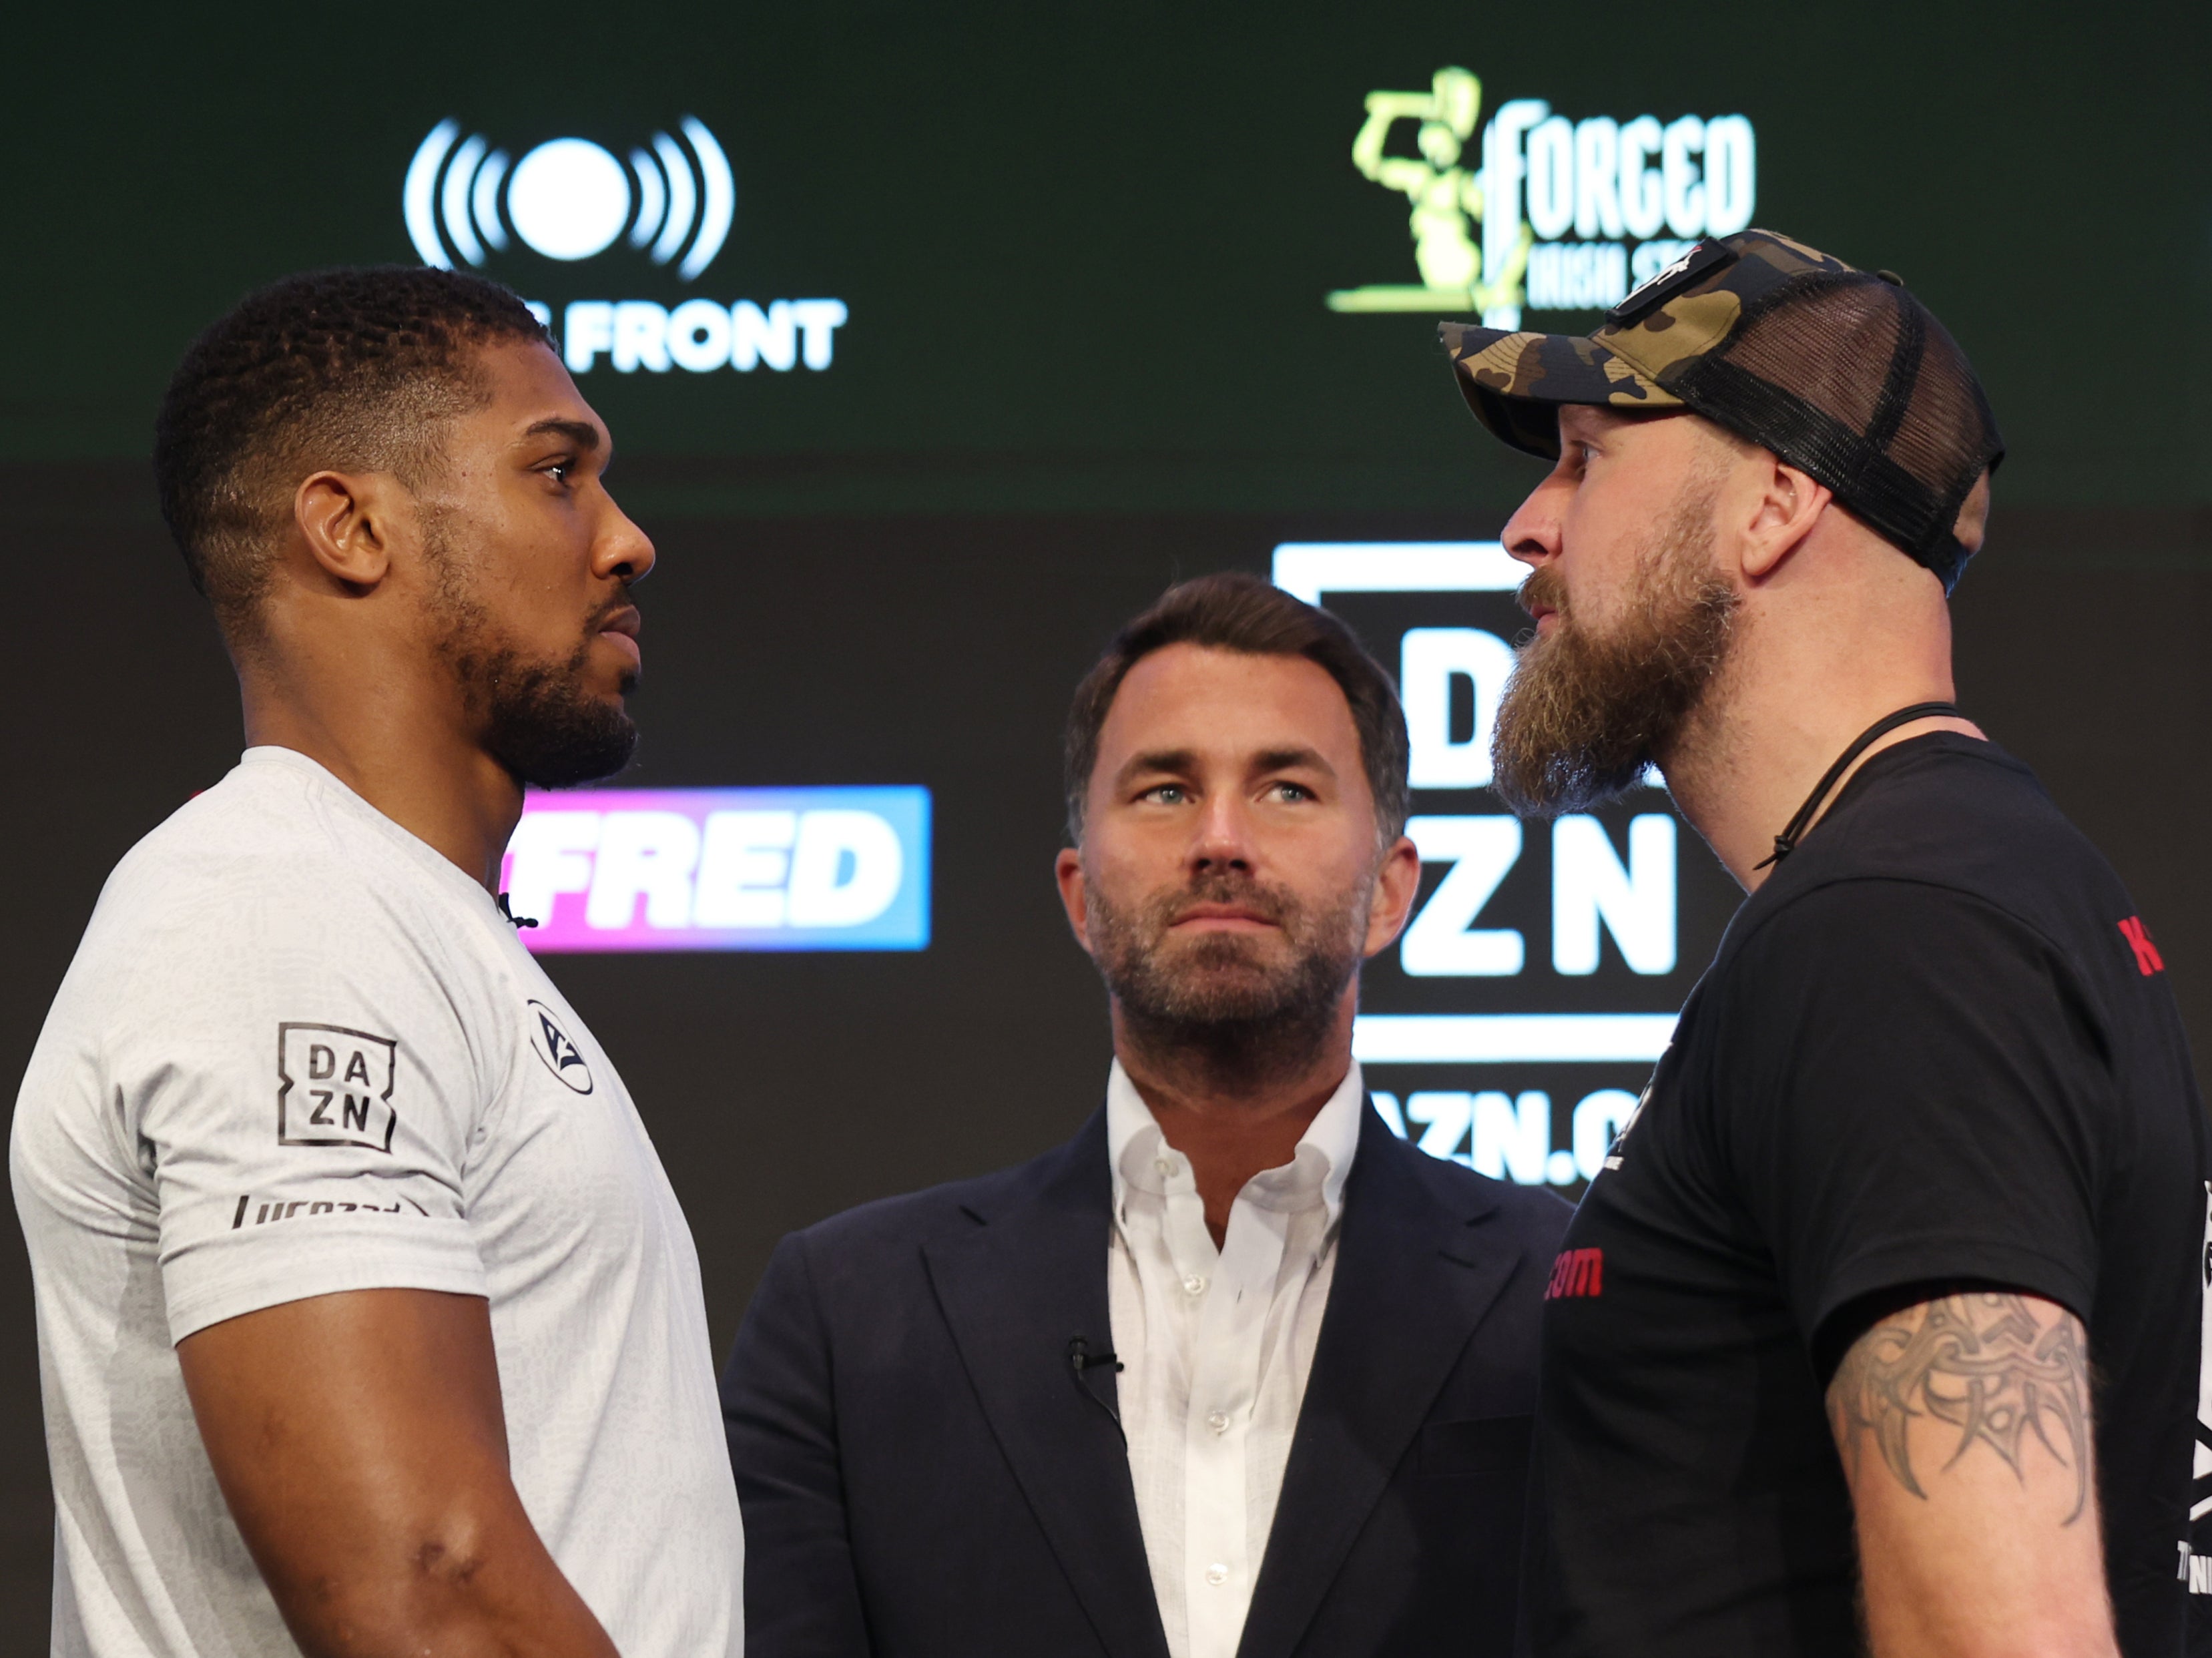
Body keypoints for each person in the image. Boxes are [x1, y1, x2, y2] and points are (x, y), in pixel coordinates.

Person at [1436, 227, 2211, 1657]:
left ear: (1774, 503)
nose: (1526, 531)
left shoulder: (1895, 933)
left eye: (1589, 456)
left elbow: (2001, 1636)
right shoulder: (1949, 886)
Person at [11, 268, 742, 1657]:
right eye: (555, 475)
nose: (628, 540)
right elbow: (423, 1589)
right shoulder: (282, 913)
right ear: (351, 528)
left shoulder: (388, 917)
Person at [721, 573, 1569, 1658]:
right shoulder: (845, 1318)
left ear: (1392, 889)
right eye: (1165, 790)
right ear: (1079, 893)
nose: (1221, 838)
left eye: (1286, 790)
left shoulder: (1566, 1290)